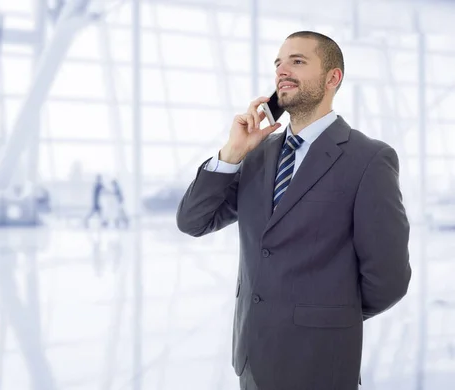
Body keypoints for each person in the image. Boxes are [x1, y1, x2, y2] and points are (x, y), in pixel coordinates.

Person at [176, 31, 411, 390]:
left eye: (297, 62)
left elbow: (389, 278)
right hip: (251, 360)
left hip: (320, 361)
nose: (282, 71)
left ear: (333, 78)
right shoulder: (256, 154)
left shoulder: (369, 159)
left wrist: (326, 317)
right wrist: (231, 153)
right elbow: (193, 221)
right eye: (278, 64)